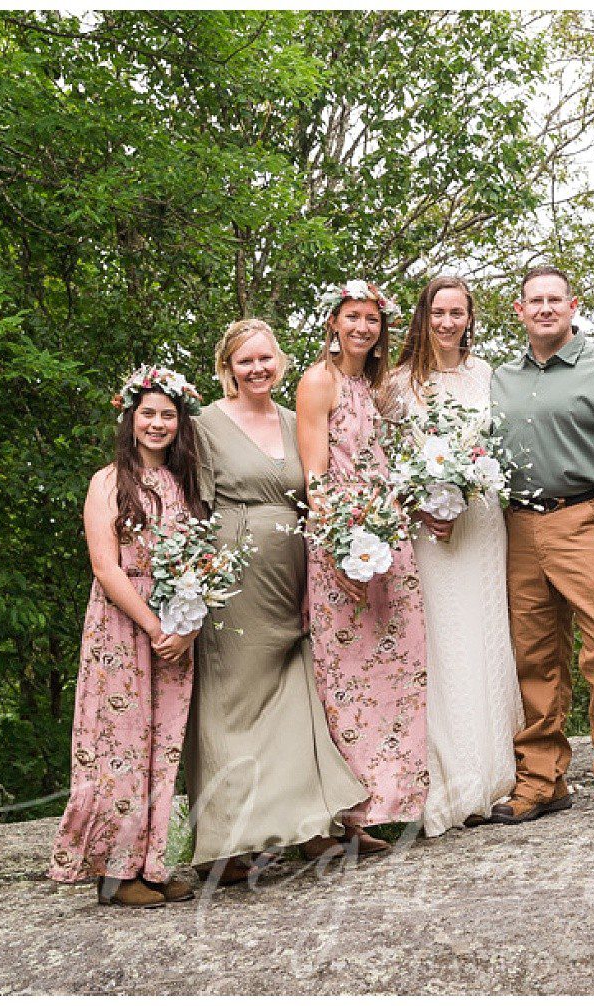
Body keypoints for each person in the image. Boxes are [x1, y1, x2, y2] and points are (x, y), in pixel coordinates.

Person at [184, 319, 367, 884]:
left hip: (296, 568)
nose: (257, 369)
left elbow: (320, 485)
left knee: (295, 692)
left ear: (280, 360)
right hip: (233, 573)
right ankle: (225, 845)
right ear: (227, 369)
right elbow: (193, 505)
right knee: (232, 704)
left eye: (265, 358)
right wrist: (192, 580)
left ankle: (310, 827)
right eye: (245, 362)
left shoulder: (295, 420)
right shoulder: (204, 426)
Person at [489, 265, 594, 821]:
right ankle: (541, 780)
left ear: (572, 305)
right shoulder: (500, 379)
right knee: (533, 655)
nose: (544, 309)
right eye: (533, 300)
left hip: (587, 516)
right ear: (519, 310)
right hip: (516, 524)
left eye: (554, 299)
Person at [49, 365, 206, 907]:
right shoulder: (109, 481)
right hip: (124, 622)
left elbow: (201, 561)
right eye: (148, 414)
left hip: (176, 626)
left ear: (180, 422)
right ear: (130, 418)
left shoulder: (188, 485)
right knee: (119, 742)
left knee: (163, 747)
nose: (157, 424)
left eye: (168, 415)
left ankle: (152, 866)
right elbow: (105, 566)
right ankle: (113, 875)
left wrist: (185, 628)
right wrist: (155, 623)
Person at [379, 276, 521, 836]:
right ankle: (448, 777)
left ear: (470, 317)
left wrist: (469, 484)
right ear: (423, 316)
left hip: (482, 519)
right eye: (437, 312)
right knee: (440, 637)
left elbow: (501, 447)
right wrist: (421, 502)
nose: (446, 322)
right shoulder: (396, 384)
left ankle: (494, 774)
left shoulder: (489, 376)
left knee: (485, 631)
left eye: (456, 312)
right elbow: (383, 460)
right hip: (426, 527)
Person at [296, 281, 430, 851]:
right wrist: (341, 552)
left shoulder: (369, 383)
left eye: (372, 320)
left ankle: (382, 807)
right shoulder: (318, 381)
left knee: (397, 668)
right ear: (334, 321)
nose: (362, 328)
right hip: (342, 545)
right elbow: (316, 477)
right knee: (344, 679)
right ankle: (341, 814)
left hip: (387, 537)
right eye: (353, 317)